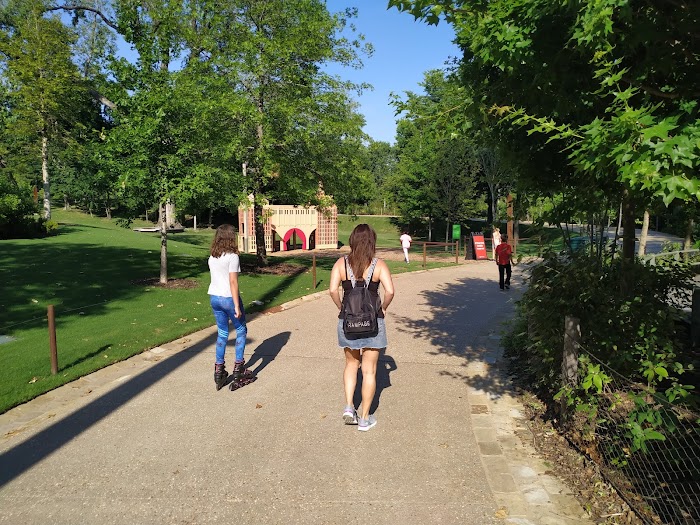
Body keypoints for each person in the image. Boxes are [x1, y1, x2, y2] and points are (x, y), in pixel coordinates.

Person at [330, 224, 395, 432]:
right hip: (373, 322)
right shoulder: (379, 265)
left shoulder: (341, 263)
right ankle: (365, 419)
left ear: (352, 240)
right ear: (372, 242)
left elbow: (332, 290)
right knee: (369, 371)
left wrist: (342, 308)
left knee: (351, 364)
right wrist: (383, 308)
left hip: (348, 322)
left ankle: (349, 406)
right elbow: (390, 291)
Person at [208, 224, 255, 390]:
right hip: (228, 299)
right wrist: (236, 305)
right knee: (241, 330)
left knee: (222, 333)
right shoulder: (232, 257)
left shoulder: (213, 256)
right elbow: (233, 282)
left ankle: (219, 370)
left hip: (214, 297)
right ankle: (238, 369)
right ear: (231, 238)